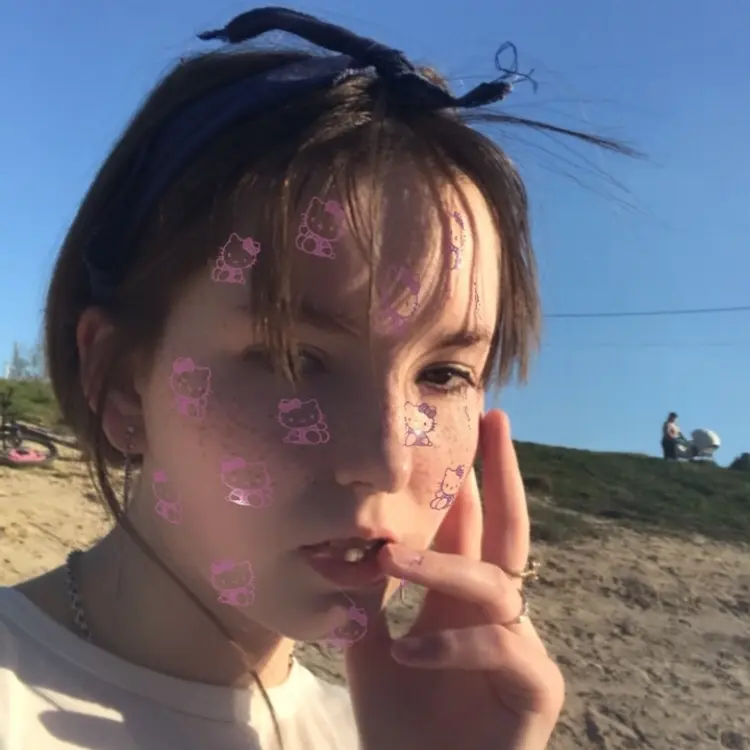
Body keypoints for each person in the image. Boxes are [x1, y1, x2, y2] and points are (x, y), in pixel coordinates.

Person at [0, 7, 632, 749]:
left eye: (443, 373)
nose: (388, 461)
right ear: (121, 382)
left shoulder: (396, 732)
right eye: (295, 359)